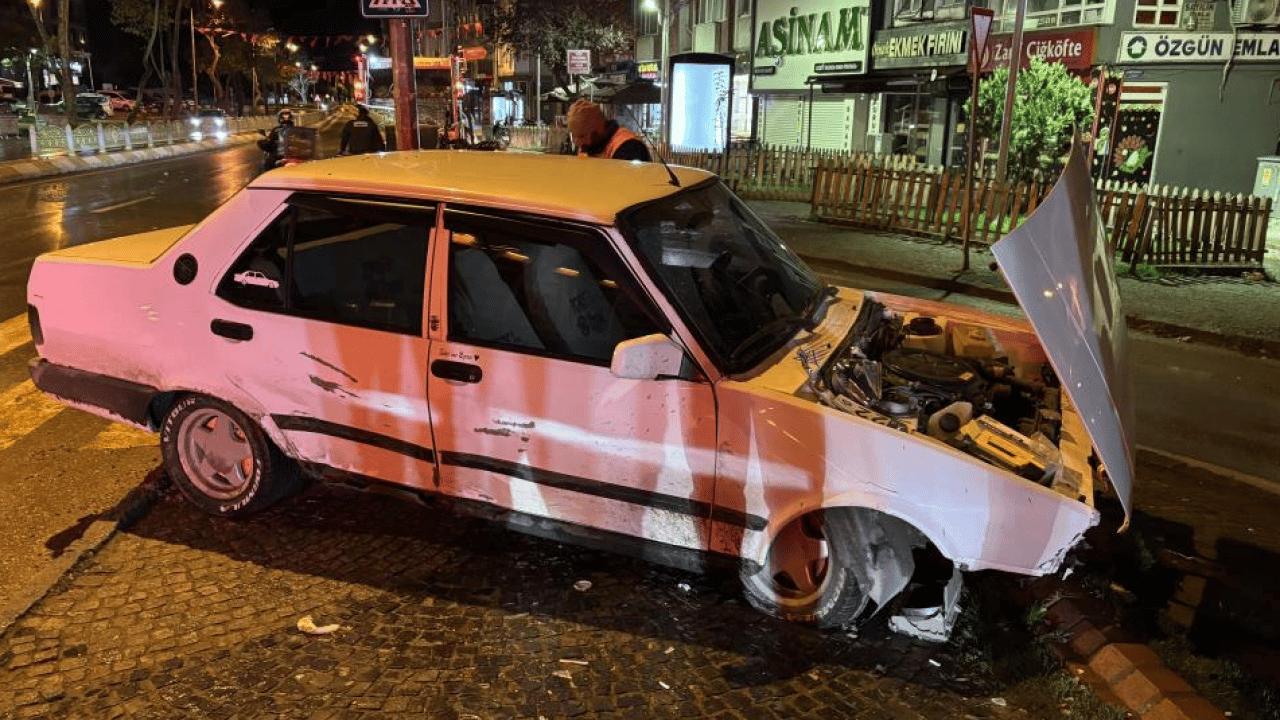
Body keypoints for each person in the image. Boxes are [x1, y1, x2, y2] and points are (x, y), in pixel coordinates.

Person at [566, 99, 651, 161]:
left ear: (598, 129)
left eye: (582, 136)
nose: (576, 142)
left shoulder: (630, 148)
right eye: (573, 136)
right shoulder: (589, 147)